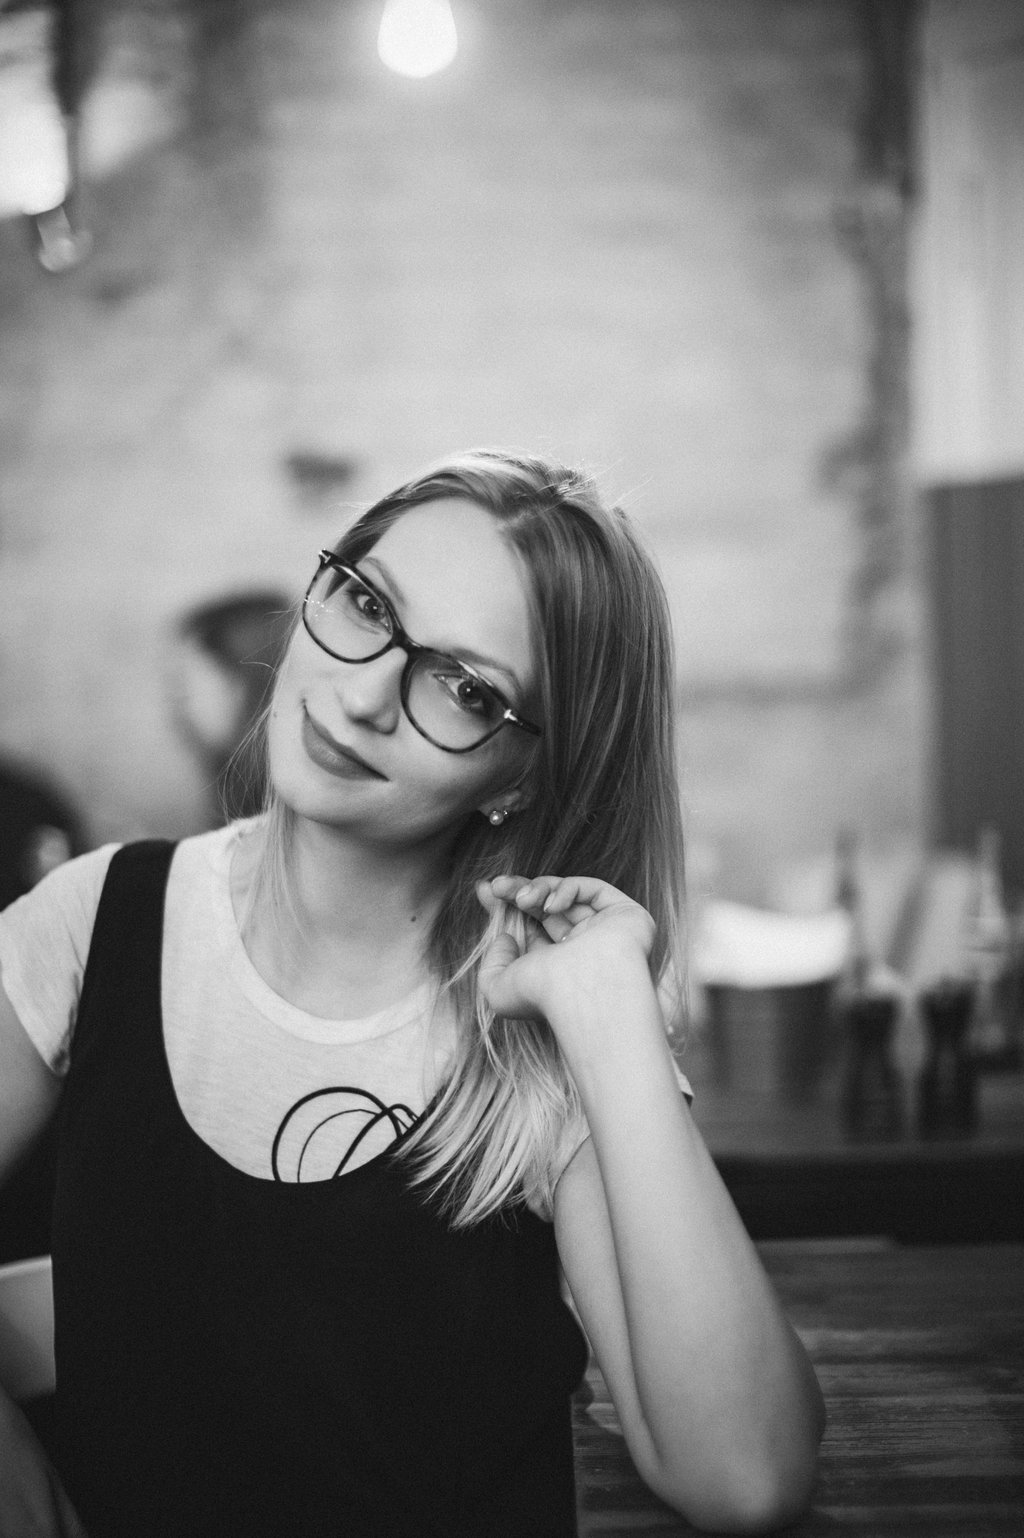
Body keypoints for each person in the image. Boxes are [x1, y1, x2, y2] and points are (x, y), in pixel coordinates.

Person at [0, 450, 824, 1537]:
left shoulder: (540, 1021)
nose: (362, 696)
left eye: (466, 689)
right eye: (366, 603)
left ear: (523, 774)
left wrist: (614, 1018)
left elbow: (746, 1476)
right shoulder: (95, 920)